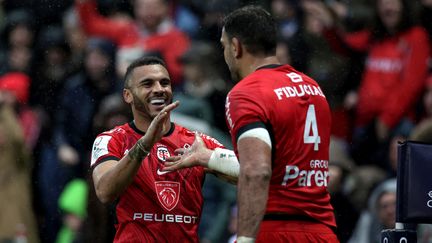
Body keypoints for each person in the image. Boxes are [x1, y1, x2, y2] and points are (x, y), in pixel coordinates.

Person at [164, 5, 338, 243]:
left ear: (236, 47)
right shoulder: (312, 88)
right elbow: (277, 168)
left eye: (224, 46)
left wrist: (244, 239)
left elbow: (257, 171)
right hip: (322, 231)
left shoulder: (247, 93)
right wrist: (208, 158)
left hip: (276, 230)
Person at [90, 56, 238, 242]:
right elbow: (105, 191)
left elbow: (250, 173)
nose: (159, 89)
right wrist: (143, 146)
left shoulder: (196, 141)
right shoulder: (112, 139)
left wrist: (208, 157)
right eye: (147, 84)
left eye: (164, 83)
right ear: (127, 95)